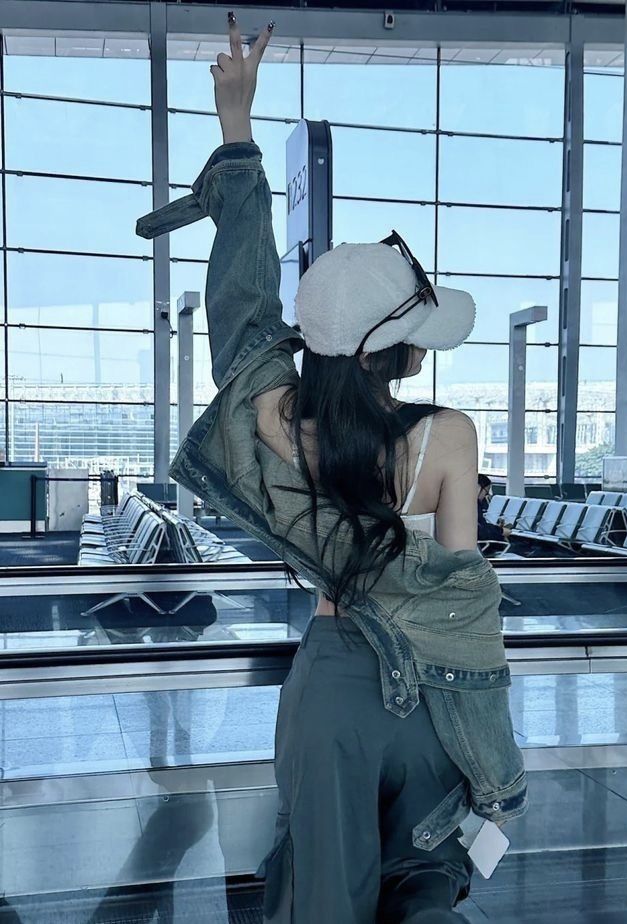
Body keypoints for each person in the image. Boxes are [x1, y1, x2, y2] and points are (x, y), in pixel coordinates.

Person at [139, 17, 526, 923]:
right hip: (429, 703)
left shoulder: (271, 418)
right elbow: (459, 598)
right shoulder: (451, 438)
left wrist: (238, 126)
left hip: (329, 693)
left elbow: (240, 297)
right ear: (395, 352)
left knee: (323, 897)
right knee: (421, 885)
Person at [477, 474, 509, 546]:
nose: (485, 496)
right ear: (478, 488)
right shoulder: (474, 506)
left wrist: (496, 529)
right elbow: (481, 531)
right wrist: (501, 531)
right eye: (486, 492)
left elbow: (481, 526)